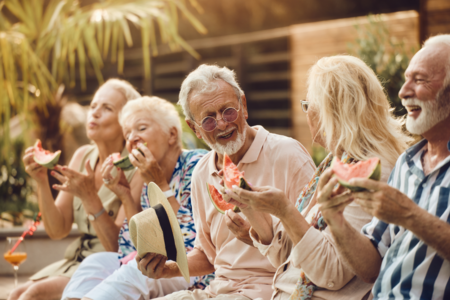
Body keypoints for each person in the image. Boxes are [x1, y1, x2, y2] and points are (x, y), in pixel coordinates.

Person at [227, 55, 411, 300]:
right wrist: (258, 218)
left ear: (331, 113)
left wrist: (284, 211)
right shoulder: (335, 162)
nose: (306, 113)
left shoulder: (375, 171)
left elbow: (331, 273)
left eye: (307, 105)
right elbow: (292, 259)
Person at [135, 64, 316, 300]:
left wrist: (258, 236)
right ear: (195, 129)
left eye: (228, 111)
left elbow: (317, 242)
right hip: (217, 291)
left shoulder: (288, 154)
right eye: (208, 120)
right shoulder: (201, 173)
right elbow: (210, 257)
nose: (221, 123)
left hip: (273, 290)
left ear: (244, 106)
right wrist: (168, 269)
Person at [317, 35, 450, 299]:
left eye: (420, 80)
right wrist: (335, 220)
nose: (403, 91)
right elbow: (371, 268)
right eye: (406, 78)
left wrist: (410, 216)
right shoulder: (407, 162)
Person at [61, 96, 213, 300]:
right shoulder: (146, 177)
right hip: (156, 263)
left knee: (135, 272)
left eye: (141, 129)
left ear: (172, 134)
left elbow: (188, 241)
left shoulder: (198, 165)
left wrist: (160, 184)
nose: (132, 139)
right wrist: (124, 195)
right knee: (95, 262)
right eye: (127, 134)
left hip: (192, 268)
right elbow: (137, 246)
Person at [11, 79, 143, 300]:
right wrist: (41, 180)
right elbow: (57, 230)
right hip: (75, 258)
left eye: (107, 108)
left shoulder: (136, 168)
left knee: (31, 295)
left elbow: (119, 247)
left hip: (107, 264)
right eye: (93, 106)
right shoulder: (82, 155)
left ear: (126, 122)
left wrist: (90, 198)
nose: (95, 113)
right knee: (16, 293)